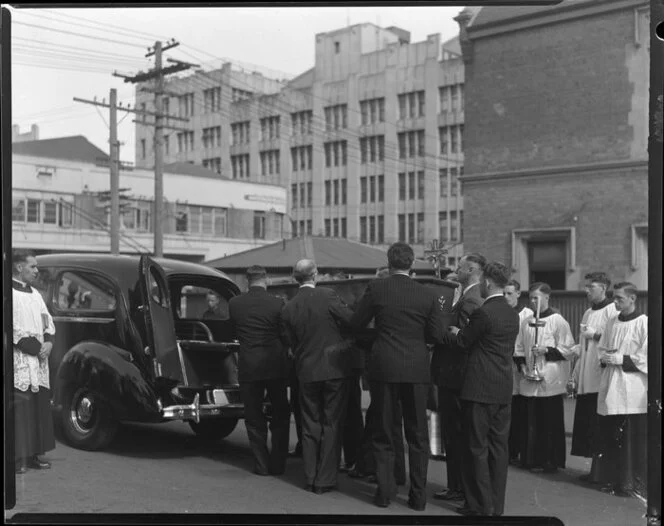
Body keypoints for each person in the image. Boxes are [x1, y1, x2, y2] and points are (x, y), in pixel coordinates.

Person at [350, 242, 448, 511]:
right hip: (416, 368)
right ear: (412, 263)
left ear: (389, 262)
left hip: (384, 367)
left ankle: (385, 492)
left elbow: (356, 323)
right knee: (418, 435)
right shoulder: (426, 294)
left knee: (384, 431)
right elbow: (437, 334)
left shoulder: (377, 288)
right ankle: (418, 497)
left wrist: (374, 339)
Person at [448, 261, 520, 516]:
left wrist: (455, 331)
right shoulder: (512, 313)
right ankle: (495, 505)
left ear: (488, 283)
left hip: (479, 388)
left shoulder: (484, 313)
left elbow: (464, 342)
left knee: (476, 447)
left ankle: (479, 505)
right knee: (499, 449)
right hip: (502, 388)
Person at [280, 259, 354, 494]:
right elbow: (350, 320)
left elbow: (289, 341)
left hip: (306, 370)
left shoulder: (288, 307)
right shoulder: (328, 296)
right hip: (333, 368)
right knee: (332, 423)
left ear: (295, 277)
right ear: (315, 274)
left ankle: (310, 476)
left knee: (310, 424)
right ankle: (325, 479)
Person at [431, 253, 486, 503]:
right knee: (453, 435)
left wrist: (441, 335)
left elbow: (465, 341)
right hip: (454, 376)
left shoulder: (471, 299)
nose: (457, 270)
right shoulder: (466, 295)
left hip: (456, 377)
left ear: (472, 270)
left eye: (461, 267)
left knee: (455, 434)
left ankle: (459, 487)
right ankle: (457, 485)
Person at [228, 266, 291, 476]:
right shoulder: (277, 303)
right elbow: (285, 335)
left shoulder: (235, 303)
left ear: (247, 281)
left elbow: (233, 330)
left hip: (248, 366)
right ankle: (278, 463)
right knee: (281, 415)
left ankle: (261, 465)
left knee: (254, 417)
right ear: (266, 280)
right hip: (275, 366)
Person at [514, 282, 575, 473]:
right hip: (529, 378)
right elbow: (519, 347)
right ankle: (530, 459)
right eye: (531, 298)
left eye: (536, 298)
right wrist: (522, 365)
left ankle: (550, 461)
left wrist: (546, 350)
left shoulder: (558, 321)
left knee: (548, 422)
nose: (532, 301)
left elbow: (568, 349)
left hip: (549, 377)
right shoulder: (526, 321)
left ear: (547, 298)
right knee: (530, 420)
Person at [596, 282, 647, 499]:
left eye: (620, 298)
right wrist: (605, 357)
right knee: (611, 433)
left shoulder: (644, 323)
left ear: (633, 299)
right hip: (612, 383)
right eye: (614, 298)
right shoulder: (611, 321)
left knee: (629, 437)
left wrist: (622, 359)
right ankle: (614, 478)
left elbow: (648, 357)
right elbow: (601, 347)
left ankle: (631, 482)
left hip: (632, 387)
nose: (615, 302)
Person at [569, 272, 618, 483]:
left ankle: (604, 472)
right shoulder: (588, 312)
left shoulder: (612, 310)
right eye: (586, 286)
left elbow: (616, 339)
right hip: (587, 375)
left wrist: (595, 335)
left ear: (604, 288)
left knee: (601, 425)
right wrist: (575, 375)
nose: (587, 290)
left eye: (592, 287)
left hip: (601, 375)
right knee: (589, 425)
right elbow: (583, 346)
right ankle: (594, 471)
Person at [12, 249, 56, 474]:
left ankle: (34, 454)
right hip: (21, 359)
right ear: (19, 267)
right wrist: (37, 348)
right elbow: (13, 330)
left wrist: (48, 342)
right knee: (21, 410)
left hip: (39, 360)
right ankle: (17, 457)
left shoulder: (36, 295)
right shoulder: (9, 294)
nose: (36, 271)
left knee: (38, 408)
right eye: (32, 266)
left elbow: (47, 322)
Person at [503, 279, 533, 465]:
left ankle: (520, 450)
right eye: (504, 293)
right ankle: (509, 450)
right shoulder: (503, 311)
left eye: (510, 293)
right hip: (505, 367)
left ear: (518, 294)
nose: (506, 297)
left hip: (520, 367)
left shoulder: (527, 315)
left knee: (521, 412)